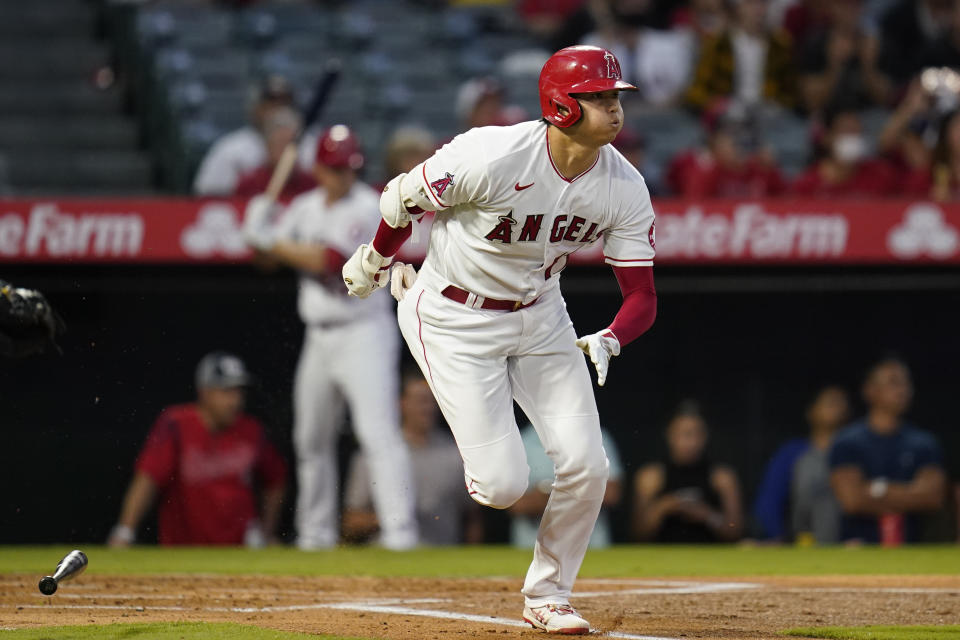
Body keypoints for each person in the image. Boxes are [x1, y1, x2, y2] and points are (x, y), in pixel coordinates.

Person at [341, 46, 658, 634]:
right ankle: (408, 300)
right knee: (502, 487)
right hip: (455, 318)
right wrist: (376, 257)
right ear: (562, 105)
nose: (615, 110)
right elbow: (401, 197)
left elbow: (642, 294)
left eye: (617, 97)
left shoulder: (624, 184)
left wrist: (613, 337)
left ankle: (548, 594)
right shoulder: (491, 152)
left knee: (590, 465)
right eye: (601, 98)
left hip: (542, 316)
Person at [242, 125, 418, 551]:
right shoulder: (303, 207)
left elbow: (331, 262)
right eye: (336, 168)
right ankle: (315, 534)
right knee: (310, 438)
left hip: (364, 331)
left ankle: (400, 534)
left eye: (349, 167)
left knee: (377, 434)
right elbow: (266, 262)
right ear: (319, 169)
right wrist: (257, 232)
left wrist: (272, 240)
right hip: (319, 336)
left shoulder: (368, 206)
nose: (344, 175)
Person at [107, 352, 286, 547]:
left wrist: (267, 532)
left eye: (239, 392)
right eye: (226, 392)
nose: (235, 401)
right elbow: (148, 478)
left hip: (240, 551)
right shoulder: (177, 424)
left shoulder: (251, 430)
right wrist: (125, 530)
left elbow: (276, 480)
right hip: (184, 549)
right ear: (205, 392)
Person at [342, 369, 484, 546]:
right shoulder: (376, 454)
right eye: (420, 401)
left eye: (432, 401)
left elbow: (472, 516)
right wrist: (394, 518)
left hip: (442, 558)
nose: (427, 408)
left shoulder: (455, 452)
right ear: (401, 403)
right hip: (388, 555)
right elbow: (351, 521)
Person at [829, 357, 947, 544]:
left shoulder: (923, 443)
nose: (903, 390)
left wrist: (876, 489)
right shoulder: (848, 441)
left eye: (906, 383)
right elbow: (852, 501)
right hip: (857, 547)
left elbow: (932, 498)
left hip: (912, 548)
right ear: (870, 390)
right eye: (893, 382)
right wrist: (910, 493)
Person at [632, 402, 743, 543]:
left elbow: (735, 532)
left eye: (697, 434)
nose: (691, 442)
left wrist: (707, 516)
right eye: (685, 434)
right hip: (661, 558)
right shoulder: (651, 477)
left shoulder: (722, 478)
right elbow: (637, 533)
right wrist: (664, 507)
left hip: (711, 558)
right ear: (669, 435)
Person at [753, 386, 849, 543]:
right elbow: (770, 500)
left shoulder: (855, 452)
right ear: (811, 411)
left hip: (849, 544)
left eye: (842, 403)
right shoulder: (793, 452)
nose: (838, 407)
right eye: (831, 402)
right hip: (803, 542)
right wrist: (775, 537)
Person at [510, 424, 624, 549]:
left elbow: (611, 493)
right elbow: (516, 504)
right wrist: (576, 490)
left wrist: (547, 493)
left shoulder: (595, 435)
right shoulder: (522, 440)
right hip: (531, 549)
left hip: (590, 549)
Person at [193, 75, 306, 196]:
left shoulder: (308, 144)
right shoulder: (231, 148)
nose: (277, 110)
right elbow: (206, 194)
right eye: (270, 104)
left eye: (284, 104)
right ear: (256, 108)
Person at [685, 0, 797, 113]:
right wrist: (715, 104)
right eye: (751, 4)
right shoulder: (719, 44)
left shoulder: (780, 45)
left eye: (763, 4)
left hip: (768, 115)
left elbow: (789, 91)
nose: (758, 10)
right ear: (738, 8)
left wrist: (778, 105)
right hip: (728, 114)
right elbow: (698, 91)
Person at [666, 102, 786, 198]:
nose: (739, 140)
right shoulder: (692, 163)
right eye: (731, 133)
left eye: (744, 131)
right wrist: (712, 166)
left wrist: (772, 170)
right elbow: (693, 207)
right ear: (712, 138)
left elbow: (788, 204)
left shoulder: (759, 167)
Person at [796, 0, 889, 115]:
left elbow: (885, 98)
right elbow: (811, 102)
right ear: (832, 7)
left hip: (864, 116)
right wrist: (834, 66)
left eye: (856, 6)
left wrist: (868, 65)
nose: (851, 11)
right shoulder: (816, 41)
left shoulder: (872, 42)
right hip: (825, 117)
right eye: (845, 6)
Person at [792, 106, 897, 197]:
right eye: (846, 131)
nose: (853, 138)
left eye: (857, 132)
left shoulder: (880, 175)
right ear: (827, 138)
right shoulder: (806, 184)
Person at [233, 106, 316, 200]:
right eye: (280, 144)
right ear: (268, 146)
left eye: (290, 145)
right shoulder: (249, 184)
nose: (286, 151)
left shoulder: (310, 184)